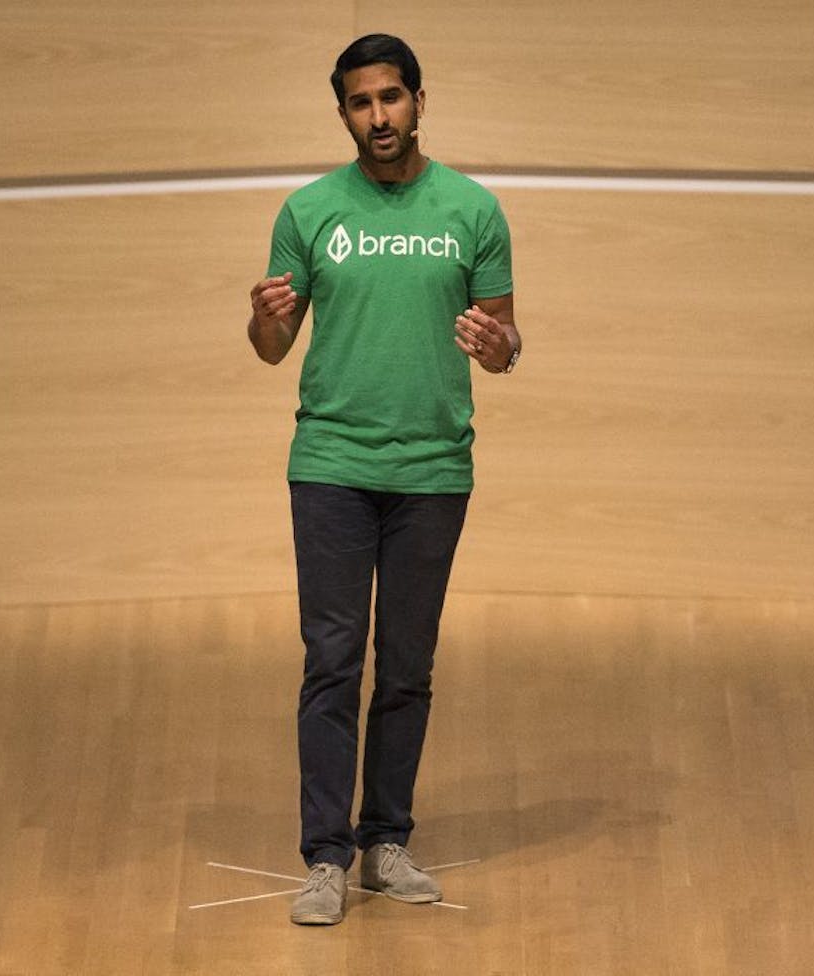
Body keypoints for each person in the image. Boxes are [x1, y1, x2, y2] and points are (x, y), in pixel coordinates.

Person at [247, 33, 521, 926]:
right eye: (362, 104)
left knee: (405, 666)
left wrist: (500, 347)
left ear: (418, 101)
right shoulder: (309, 210)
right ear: (344, 115)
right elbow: (273, 346)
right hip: (329, 466)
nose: (379, 117)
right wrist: (261, 320)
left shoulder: (472, 210)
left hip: (434, 471)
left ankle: (386, 839)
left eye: (392, 98)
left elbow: (505, 342)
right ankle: (325, 856)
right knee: (332, 662)